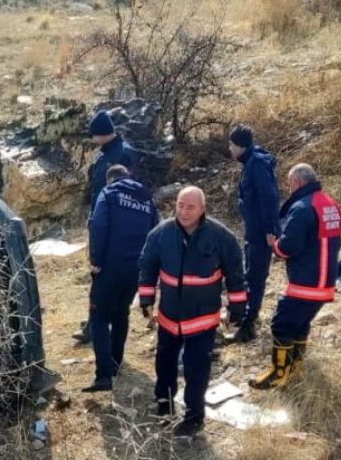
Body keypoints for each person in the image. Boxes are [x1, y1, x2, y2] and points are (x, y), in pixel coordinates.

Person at [138, 186, 246, 436]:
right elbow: (147, 264)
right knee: (164, 363)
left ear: (202, 209)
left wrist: (237, 305)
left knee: (197, 369)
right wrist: (146, 297)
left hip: (202, 319)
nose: (183, 212)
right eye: (180, 205)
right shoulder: (161, 233)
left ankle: (194, 417)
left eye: (190, 207)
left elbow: (235, 273)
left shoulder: (220, 236)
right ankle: (164, 405)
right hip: (169, 317)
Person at [250, 164, 341, 390]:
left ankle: (278, 372)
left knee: (281, 324)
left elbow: (289, 246)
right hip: (326, 281)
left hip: (305, 281)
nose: (289, 189)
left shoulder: (302, 208)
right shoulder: (331, 204)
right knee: (300, 324)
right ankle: (295, 366)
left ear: (298, 183)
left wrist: (276, 246)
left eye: (290, 184)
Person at [82, 165, 159, 393]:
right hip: (136, 270)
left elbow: (99, 226)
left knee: (98, 318)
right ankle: (115, 364)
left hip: (109, 268)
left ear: (110, 180)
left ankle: (104, 375)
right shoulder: (147, 201)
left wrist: (95, 261)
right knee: (121, 313)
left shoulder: (109, 194)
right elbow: (155, 234)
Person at [73, 110, 140, 344]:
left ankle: (96, 325)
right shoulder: (105, 153)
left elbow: (130, 192)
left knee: (102, 273)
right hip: (101, 218)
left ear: (100, 133)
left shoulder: (123, 154)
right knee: (97, 272)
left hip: (114, 225)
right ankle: (94, 320)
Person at [226, 124, 280, 343]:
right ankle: (245, 318)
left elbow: (269, 197)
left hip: (260, 232)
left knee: (255, 276)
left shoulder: (256, 164)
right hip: (254, 230)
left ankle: (248, 327)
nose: (229, 149)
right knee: (250, 274)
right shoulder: (251, 162)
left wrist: (270, 230)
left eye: (231, 144)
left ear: (240, 145)